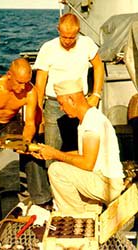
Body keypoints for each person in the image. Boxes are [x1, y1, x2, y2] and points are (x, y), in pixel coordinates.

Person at [32, 78, 125, 214]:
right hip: (103, 180)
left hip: (108, 184)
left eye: (62, 104)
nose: (61, 108)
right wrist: (52, 153)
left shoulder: (91, 122)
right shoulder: (89, 118)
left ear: (71, 99)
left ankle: (74, 216)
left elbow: (87, 163)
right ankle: (89, 211)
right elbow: (84, 153)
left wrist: (55, 155)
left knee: (56, 170)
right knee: (62, 164)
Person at [0, 58, 53, 212]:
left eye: (26, 82)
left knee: (32, 149)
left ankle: (41, 199)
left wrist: (25, 142)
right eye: (19, 82)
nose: (23, 87)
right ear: (9, 75)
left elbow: (30, 123)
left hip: (11, 123)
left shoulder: (30, 92)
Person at [34, 13, 104, 157]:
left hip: (79, 103)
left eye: (72, 37)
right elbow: (40, 82)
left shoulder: (87, 44)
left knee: (79, 149)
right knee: (52, 150)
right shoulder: (48, 48)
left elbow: (99, 66)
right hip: (54, 104)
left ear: (78, 32)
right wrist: (39, 111)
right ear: (58, 30)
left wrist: (96, 94)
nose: (67, 41)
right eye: (64, 36)